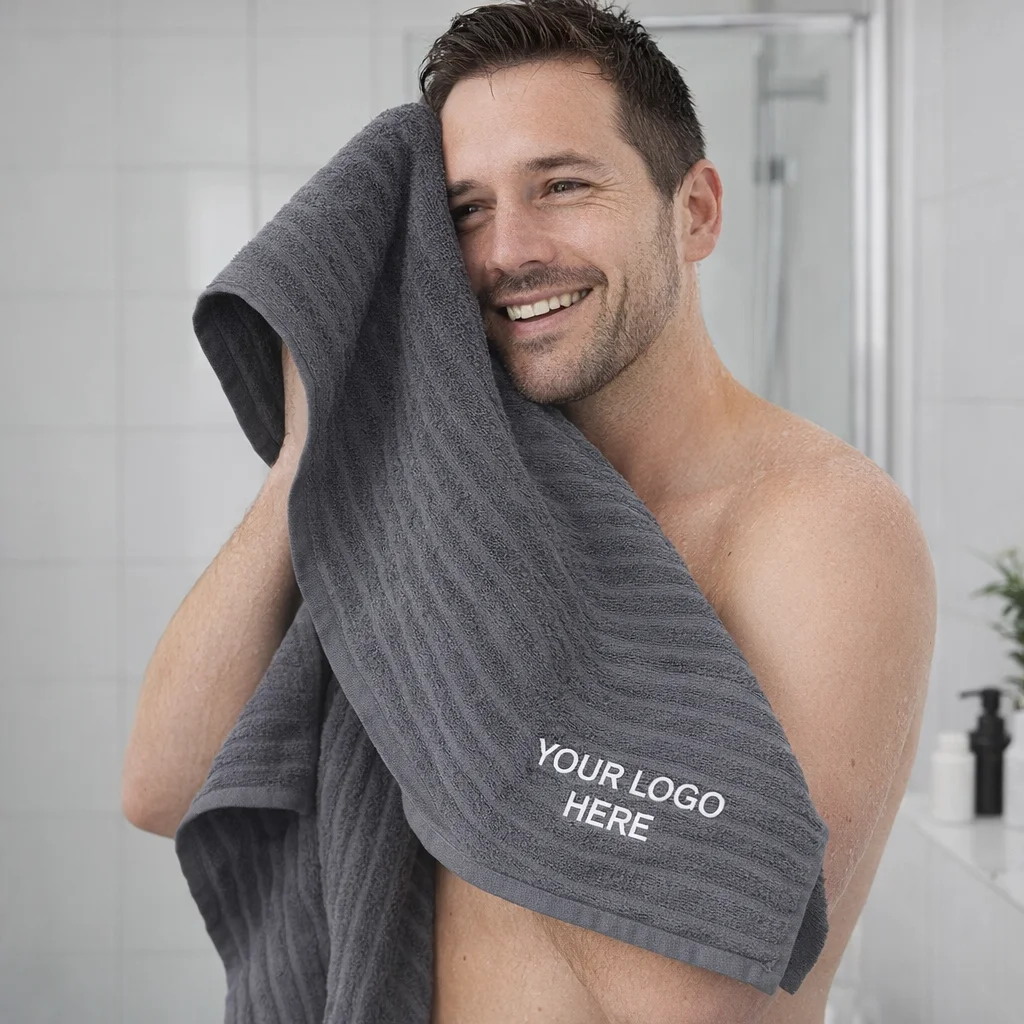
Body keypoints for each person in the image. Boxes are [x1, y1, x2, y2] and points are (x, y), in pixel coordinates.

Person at [121, 1, 938, 1022]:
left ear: (694, 212)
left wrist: (467, 625)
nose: (507, 251)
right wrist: (310, 451)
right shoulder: (424, 504)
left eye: (561, 185)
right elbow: (163, 788)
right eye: (465, 209)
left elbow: (697, 1000)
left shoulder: (823, 528)